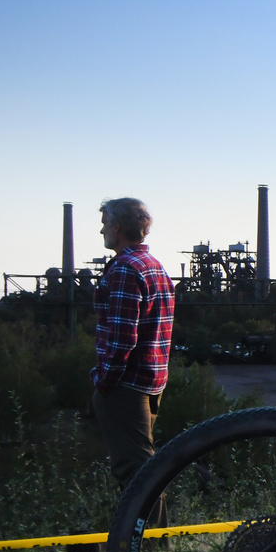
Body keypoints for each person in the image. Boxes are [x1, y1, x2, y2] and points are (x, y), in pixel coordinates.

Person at [92, 197, 176, 490]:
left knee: (137, 475)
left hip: (126, 386)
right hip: (153, 382)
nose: (101, 231)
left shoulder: (125, 269)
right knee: (145, 468)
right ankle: (151, 536)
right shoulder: (155, 266)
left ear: (116, 227)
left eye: (104, 225)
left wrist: (105, 382)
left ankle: (148, 537)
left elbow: (122, 337)